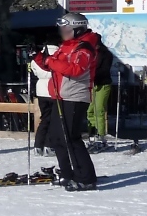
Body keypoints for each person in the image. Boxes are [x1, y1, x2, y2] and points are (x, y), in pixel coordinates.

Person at [33, 12, 99, 191]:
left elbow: (75, 69)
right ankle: (68, 173)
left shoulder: (84, 48)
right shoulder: (67, 46)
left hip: (75, 97)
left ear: (77, 29)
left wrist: (51, 62)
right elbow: (51, 64)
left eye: (66, 29)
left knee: (71, 138)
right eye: (62, 29)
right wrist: (39, 57)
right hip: (60, 96)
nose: (63, 32)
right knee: (56, 137)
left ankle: (86, 178)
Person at [31, 45, 58, 157]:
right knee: (53, 120)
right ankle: (49, 145)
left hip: (41, 89)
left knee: (45, 119)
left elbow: (35, 72)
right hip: (53, 88)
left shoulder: (37, 58)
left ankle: (38, 146)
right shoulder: (57, 54)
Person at [87, 41, 115, 152]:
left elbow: (104, 70)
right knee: (90, 110)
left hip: (102, 83)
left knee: (99, 109)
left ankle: (101, 135)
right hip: (91, 84)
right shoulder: (89, 53)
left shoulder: (106, 54)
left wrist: (92, 75)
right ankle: (92, 134)